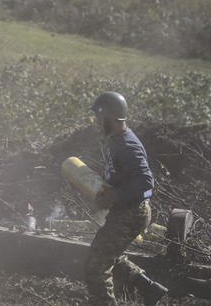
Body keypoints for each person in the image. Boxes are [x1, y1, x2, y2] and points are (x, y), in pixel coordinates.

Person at [85, 91, 168, 306]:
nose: (96, 123)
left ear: (111, 118)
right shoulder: (116, 140)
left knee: (96, 264)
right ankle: (149, 288)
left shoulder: (128, 145)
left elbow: (146, 183)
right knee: (110, 254)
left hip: (132, 213)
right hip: (126, 211)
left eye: (99, 118)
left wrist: (116, 196)